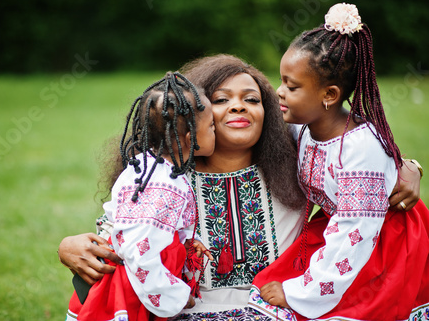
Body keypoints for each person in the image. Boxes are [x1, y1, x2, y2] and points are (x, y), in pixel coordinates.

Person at [58, 55, 422, 320]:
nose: (238, 108)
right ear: (191, 118)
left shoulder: (293, 152)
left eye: (252, 100)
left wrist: (408, 167)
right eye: (220, 100)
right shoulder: (165, 175)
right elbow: (131, 231)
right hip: (185, 308)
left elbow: (356, 155)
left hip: (275, 304)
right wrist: (69, 245)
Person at [249, 3, 429, 321]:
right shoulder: (302, 124)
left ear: (329, 95)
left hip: (379, 241)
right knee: (262, 287)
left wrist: (300, 292)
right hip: (339, 226)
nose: (279, 92)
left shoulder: (361, 148)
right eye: (281, 81)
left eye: (291, 86)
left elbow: (354, 235)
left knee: (329, 309)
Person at [66, 71, 216, 321]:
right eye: (211, 126)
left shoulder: (145, 168)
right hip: (133, 290)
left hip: (136, 281)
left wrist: (189, 238)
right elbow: (139, 249)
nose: (215, 130)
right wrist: (176, 296)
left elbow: (142, 223)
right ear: (192, 139)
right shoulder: (163, 186)